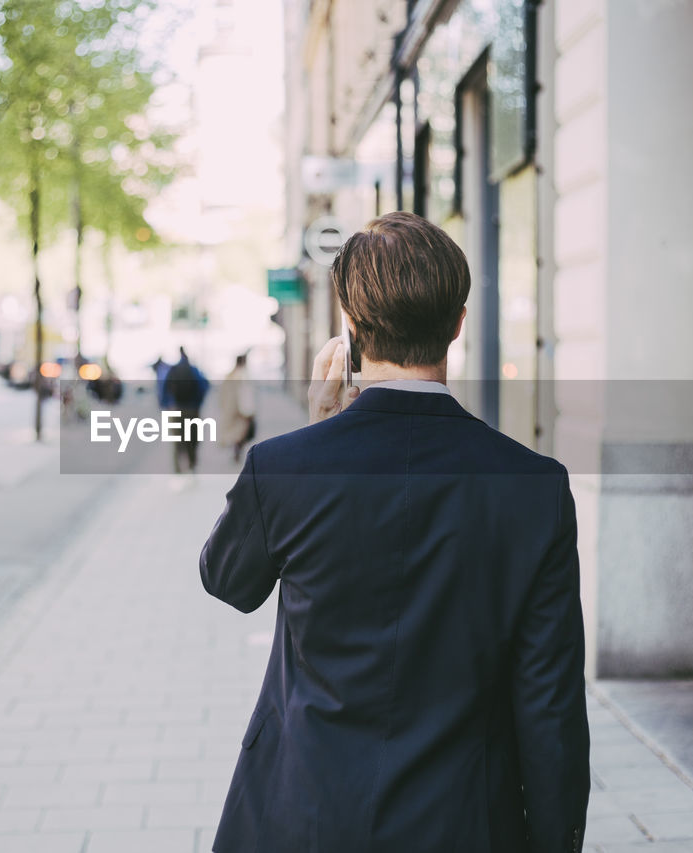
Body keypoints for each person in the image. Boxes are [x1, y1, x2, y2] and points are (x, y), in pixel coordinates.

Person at [199, 211, 589, 852]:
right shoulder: (534, 486)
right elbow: (550, 705)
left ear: (351, 330)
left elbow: (229, 581)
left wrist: (317, 423)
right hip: (463, 823)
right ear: (458, 325)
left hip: (303, 812)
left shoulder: (285, 467)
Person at [164, 347, 209, 475]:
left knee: (177, 442)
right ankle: (191, 466)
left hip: (176, 409)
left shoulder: (172, 370)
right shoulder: (193, 370)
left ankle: (177, 471)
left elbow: (164, 389)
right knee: (192, 440)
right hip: (192, 409)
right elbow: (204, 385)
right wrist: (198, 403)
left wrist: (168, 405)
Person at [217, 353, 256, 463]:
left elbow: (222, 394)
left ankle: (236, 452)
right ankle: (237, 452)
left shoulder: (229, 375)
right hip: (240, 411)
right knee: (240, 433)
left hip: (230, 410)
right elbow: (245, 395)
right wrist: (249, 411)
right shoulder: (242, 375)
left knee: (235, 434)